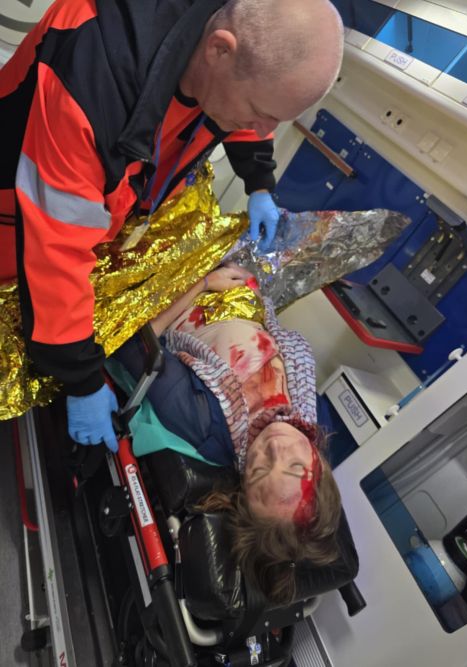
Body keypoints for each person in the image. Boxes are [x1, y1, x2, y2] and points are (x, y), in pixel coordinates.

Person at [0, 0, 344, 450]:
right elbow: (55, 248)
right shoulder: (96, 73)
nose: (264, 128)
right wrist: (81, 379)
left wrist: (259, 181)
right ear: (219, 50)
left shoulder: (228, 54)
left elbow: (251, 107)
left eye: (276, 120)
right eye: (261, 112)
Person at [111, 263, 342, 604]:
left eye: (259, 470)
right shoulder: (312, 419)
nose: (276, 447)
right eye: (295, 466)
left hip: (189, 284)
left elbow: (133, 343)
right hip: (244, 293)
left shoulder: (204, 422)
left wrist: (204, 281)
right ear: (319, 464)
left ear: (242, 482)